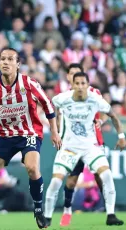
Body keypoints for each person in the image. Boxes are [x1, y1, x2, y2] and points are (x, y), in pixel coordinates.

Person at [0, 48, 62, 229]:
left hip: (29, 133)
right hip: (5, 136)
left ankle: (39, 210)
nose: (5, 62)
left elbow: (48, 105)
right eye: (2, 59)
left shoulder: (28, 83)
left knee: (32, 167)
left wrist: (54, 132)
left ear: (18, 64)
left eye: (10, 59)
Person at [45, 72, 124, 227]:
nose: (80, 87)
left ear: (88, 85)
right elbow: (49, 107)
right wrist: (55, 130)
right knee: (56, 181)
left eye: (83, 83)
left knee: (106, 175)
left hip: (89, 146)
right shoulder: (62, 98)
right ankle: (47, 217)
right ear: (72, 85)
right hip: (69, 148)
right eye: (77, 83)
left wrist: (121, 136)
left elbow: (113, 115)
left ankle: (111, 215)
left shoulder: (95, 99)